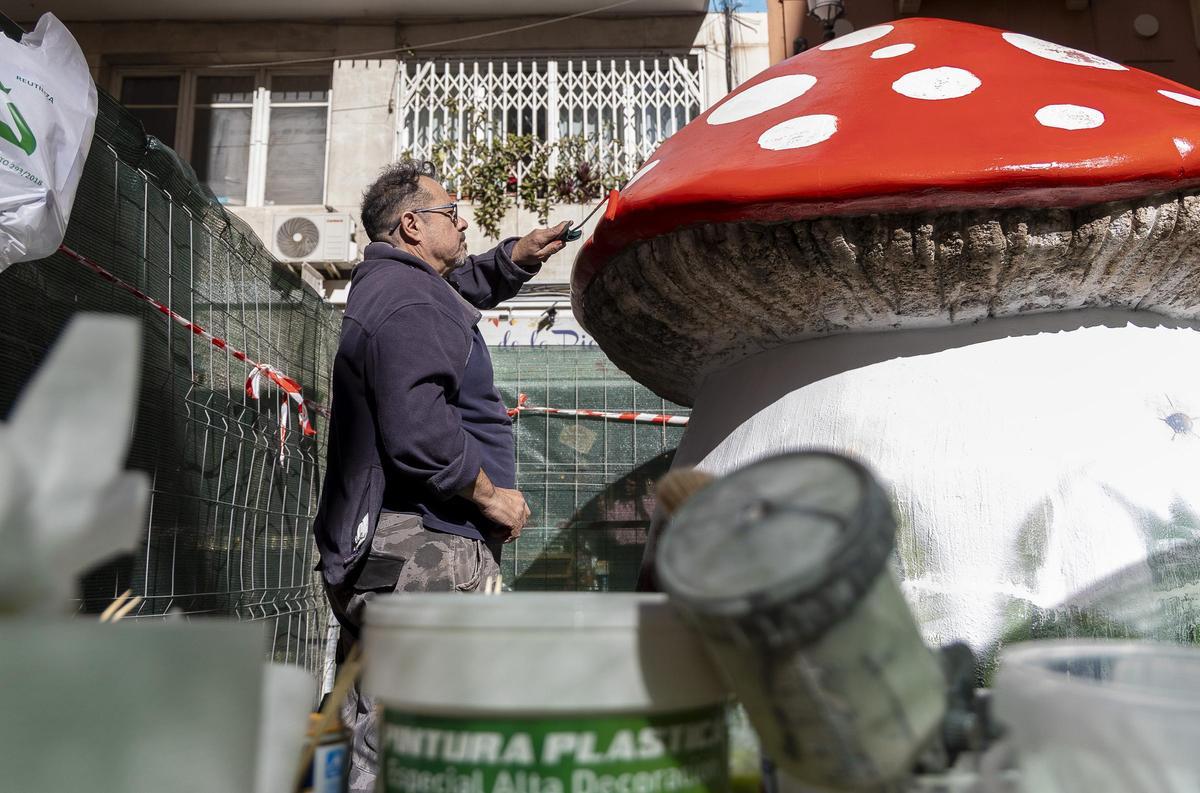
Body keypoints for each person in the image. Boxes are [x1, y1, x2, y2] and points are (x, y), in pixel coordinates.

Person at [312, 159, 568, 792]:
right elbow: (418, 430)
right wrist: (491, 496)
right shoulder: (407, 299)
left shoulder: (403, 287)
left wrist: (518, 256)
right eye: (451, 212)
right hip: (424, 548)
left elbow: (463, 290)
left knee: (366, 729)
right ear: (412, 225)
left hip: (393, 549)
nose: (463, 220)